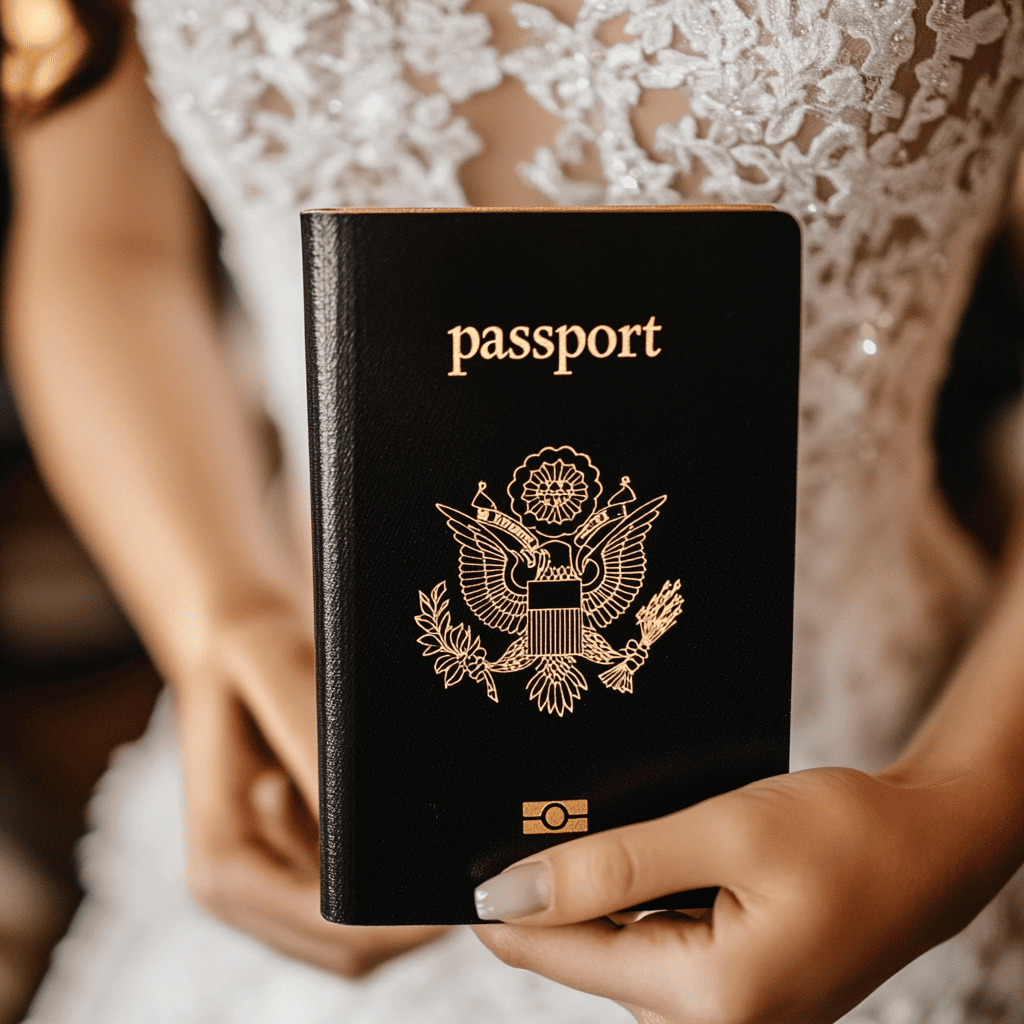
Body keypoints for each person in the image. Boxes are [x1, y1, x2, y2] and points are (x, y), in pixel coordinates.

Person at [2, 0, 1023, 1018]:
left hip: (885, 767)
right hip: (301, 744)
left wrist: (964, 804)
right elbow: (108, 241)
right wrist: (214, 617)